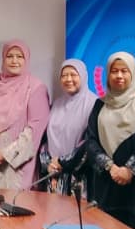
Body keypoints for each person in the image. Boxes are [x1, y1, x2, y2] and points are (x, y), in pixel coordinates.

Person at [85, 51, 135, 229]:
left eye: (124, 71)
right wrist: (110, 167)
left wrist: (129, 170)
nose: (119, 76)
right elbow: (90, 140)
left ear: (133, 73)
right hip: (108, 183)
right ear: (108, 75)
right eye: (114, 71)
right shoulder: (100, 104)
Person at [0, 40, 50, 191]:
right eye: (10, 56)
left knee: (17, 203)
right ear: (3, 58)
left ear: (26, 59)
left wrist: (6, 154)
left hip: (18, 164)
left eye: (20, 56)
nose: (14, 61)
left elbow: (35, 129)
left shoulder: (35, 87)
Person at [37, 59, 97, 194]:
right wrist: (48, 163)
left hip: (78, 178)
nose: (68, 79)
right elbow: (44, 138)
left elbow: (90, 142)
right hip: (53, 175)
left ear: (83, 76)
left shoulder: (94, 104)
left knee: (74, 208)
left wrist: (63, 162)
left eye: (73, 75)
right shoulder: (56, 104)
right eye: (64, 75)